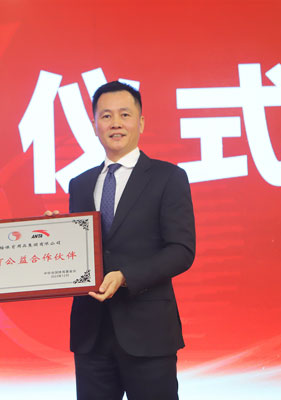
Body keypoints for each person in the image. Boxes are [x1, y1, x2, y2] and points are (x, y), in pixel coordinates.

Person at [67, 81, 196, 399]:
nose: (115, 123)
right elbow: (81, 250)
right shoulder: (79, 184)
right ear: (94, 125)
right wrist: (55, 234)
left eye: (124, 115)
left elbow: (181, 250)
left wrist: (126, 276)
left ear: (141, 122)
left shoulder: (168, 177)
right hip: (92, 334)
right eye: (106, 116)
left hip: (148, 332)